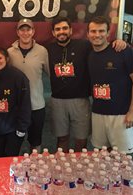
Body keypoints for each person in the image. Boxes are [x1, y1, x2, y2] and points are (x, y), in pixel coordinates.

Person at [46, 17, 126, 152]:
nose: (62, 32)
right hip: (58, 100)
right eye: (58, 29)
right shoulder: (48, 49)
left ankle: (79, 169)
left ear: (70, 30)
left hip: (80, 100)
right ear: (53, 33)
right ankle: (62, 168)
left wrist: (118, 42)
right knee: (62, 138)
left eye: (65, 28)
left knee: (81, 139)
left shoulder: (84, 45)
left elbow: (101, 45)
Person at [87, 16, 133, 153]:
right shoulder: (89, 54)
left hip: (121, 115)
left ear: (108, 33)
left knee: (122, 159)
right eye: (93, 31)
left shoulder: (122, 51)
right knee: (101, 154)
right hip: (98, 112)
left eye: (101, 31)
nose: (97, 35)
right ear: (88, 34)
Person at [8, 19, 49, 152]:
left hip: (36, 106)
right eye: (22, 30)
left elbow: (51, 74)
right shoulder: (9, 52)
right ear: (17, 32)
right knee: (14, 143)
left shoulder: (42, 51)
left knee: (35, 143)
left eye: (28, 30)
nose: (25, 33)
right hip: (17, 107)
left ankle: (35, 170)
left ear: (33, 32)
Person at [0, 48, 31, 157]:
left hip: (13, 129)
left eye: (0, 58)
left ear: (7, 59)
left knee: (10, 161)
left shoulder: (18, 77)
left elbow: (25, 104)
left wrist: (22, 128)